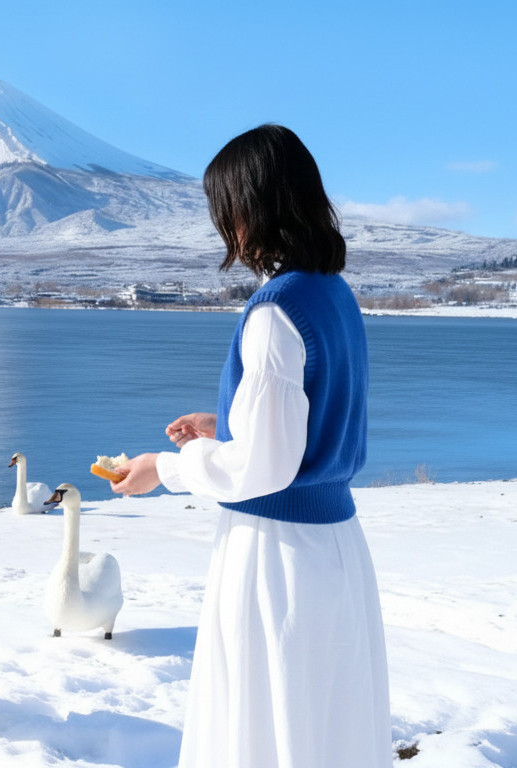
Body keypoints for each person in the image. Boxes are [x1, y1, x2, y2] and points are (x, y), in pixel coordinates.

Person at [109, 124, 390, 767]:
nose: (224, 229)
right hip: (337, 547)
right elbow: (316, 417)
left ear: (251, 208)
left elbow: (264, 469)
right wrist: (228, 425)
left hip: (275, 553)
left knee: (263, 725)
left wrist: (165, 468)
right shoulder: (333, 293)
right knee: (326, 725)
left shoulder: (274, 310)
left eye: (225, 210)